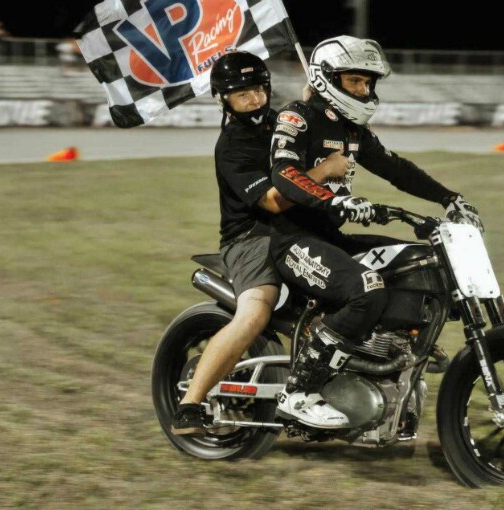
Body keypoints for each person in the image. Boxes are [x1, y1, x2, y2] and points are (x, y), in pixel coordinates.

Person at [268, 35, 482, 428]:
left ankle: (392, 354)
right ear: (325, 78)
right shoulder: (296, 117)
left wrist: (449, 198)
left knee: (422, 263)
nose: (364, 90)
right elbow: (284, 176)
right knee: (367, 288)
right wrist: (335, 201)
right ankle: (299, 391)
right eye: (354, 81)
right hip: (294, 239)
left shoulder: (354, 131)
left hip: (333, 238)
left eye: (368, 83)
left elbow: (394, 168)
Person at [170, 51, 348, 435]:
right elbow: (272, 200)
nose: (252, 100)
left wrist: (314, 105)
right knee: (255, 314)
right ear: (224, 99)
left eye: (257, 90)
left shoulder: (280, 121)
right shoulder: (232, 146)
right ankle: (190, 405)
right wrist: (324, 170)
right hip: (252, 238)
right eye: (241, 94)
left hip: (301, 230)